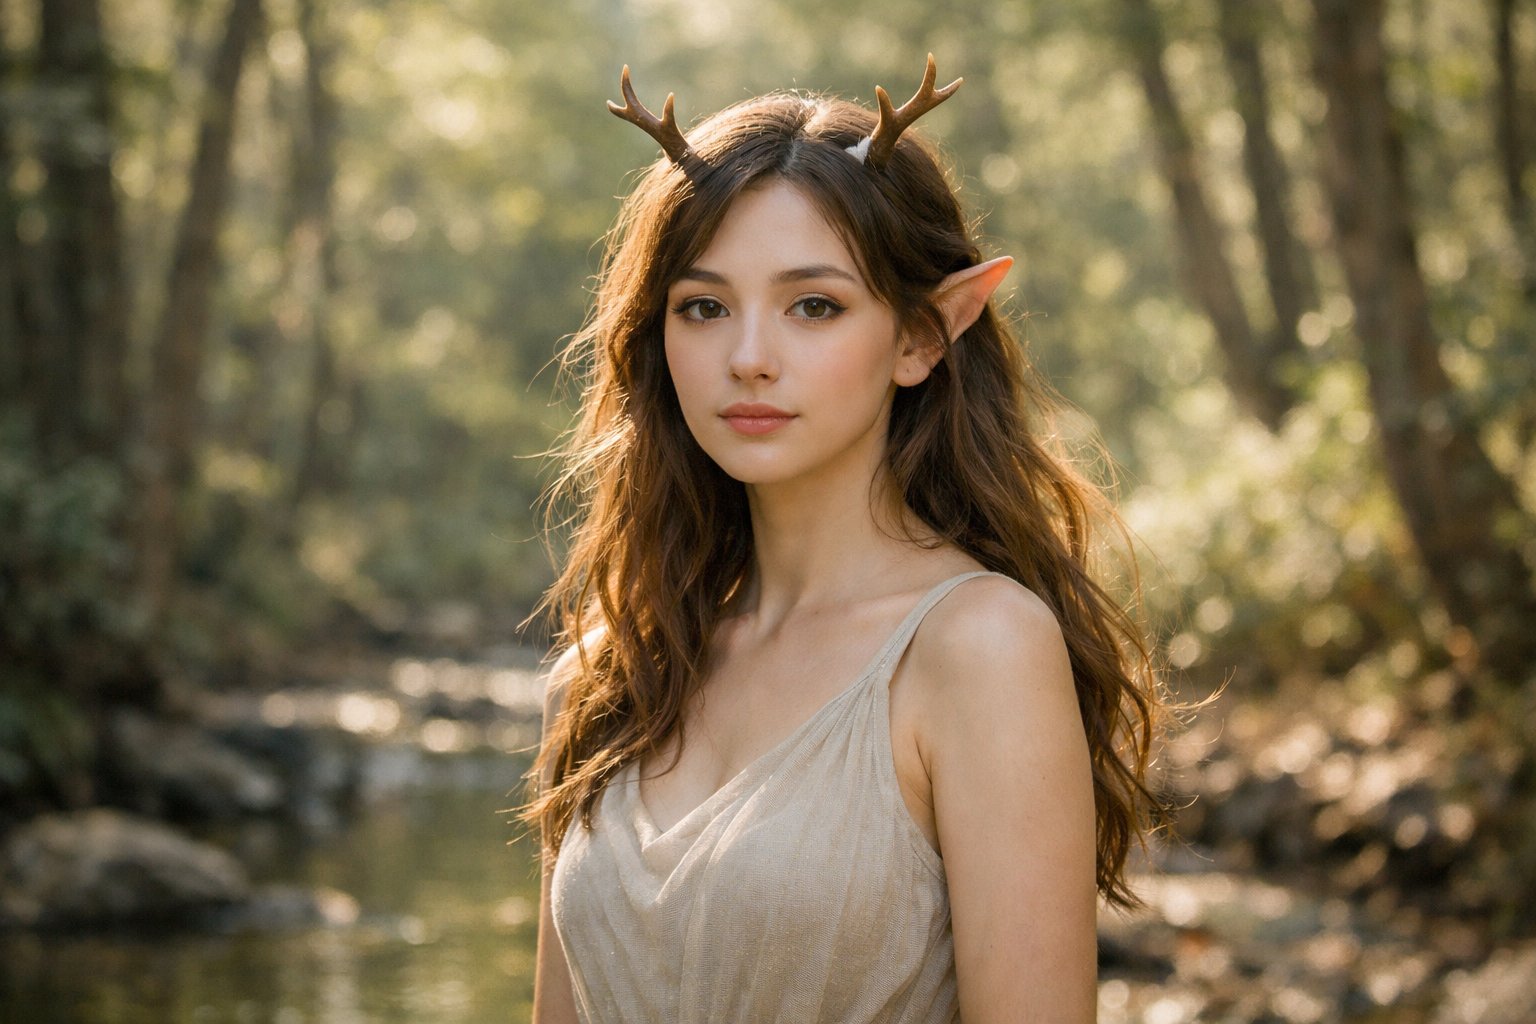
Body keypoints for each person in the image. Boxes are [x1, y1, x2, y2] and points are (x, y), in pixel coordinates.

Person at [521, 55, 1163, 1024]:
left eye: (813, 305)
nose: (747, 357)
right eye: (703, 307)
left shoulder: (978, 649)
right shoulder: (609, 671)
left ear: (923, 336)